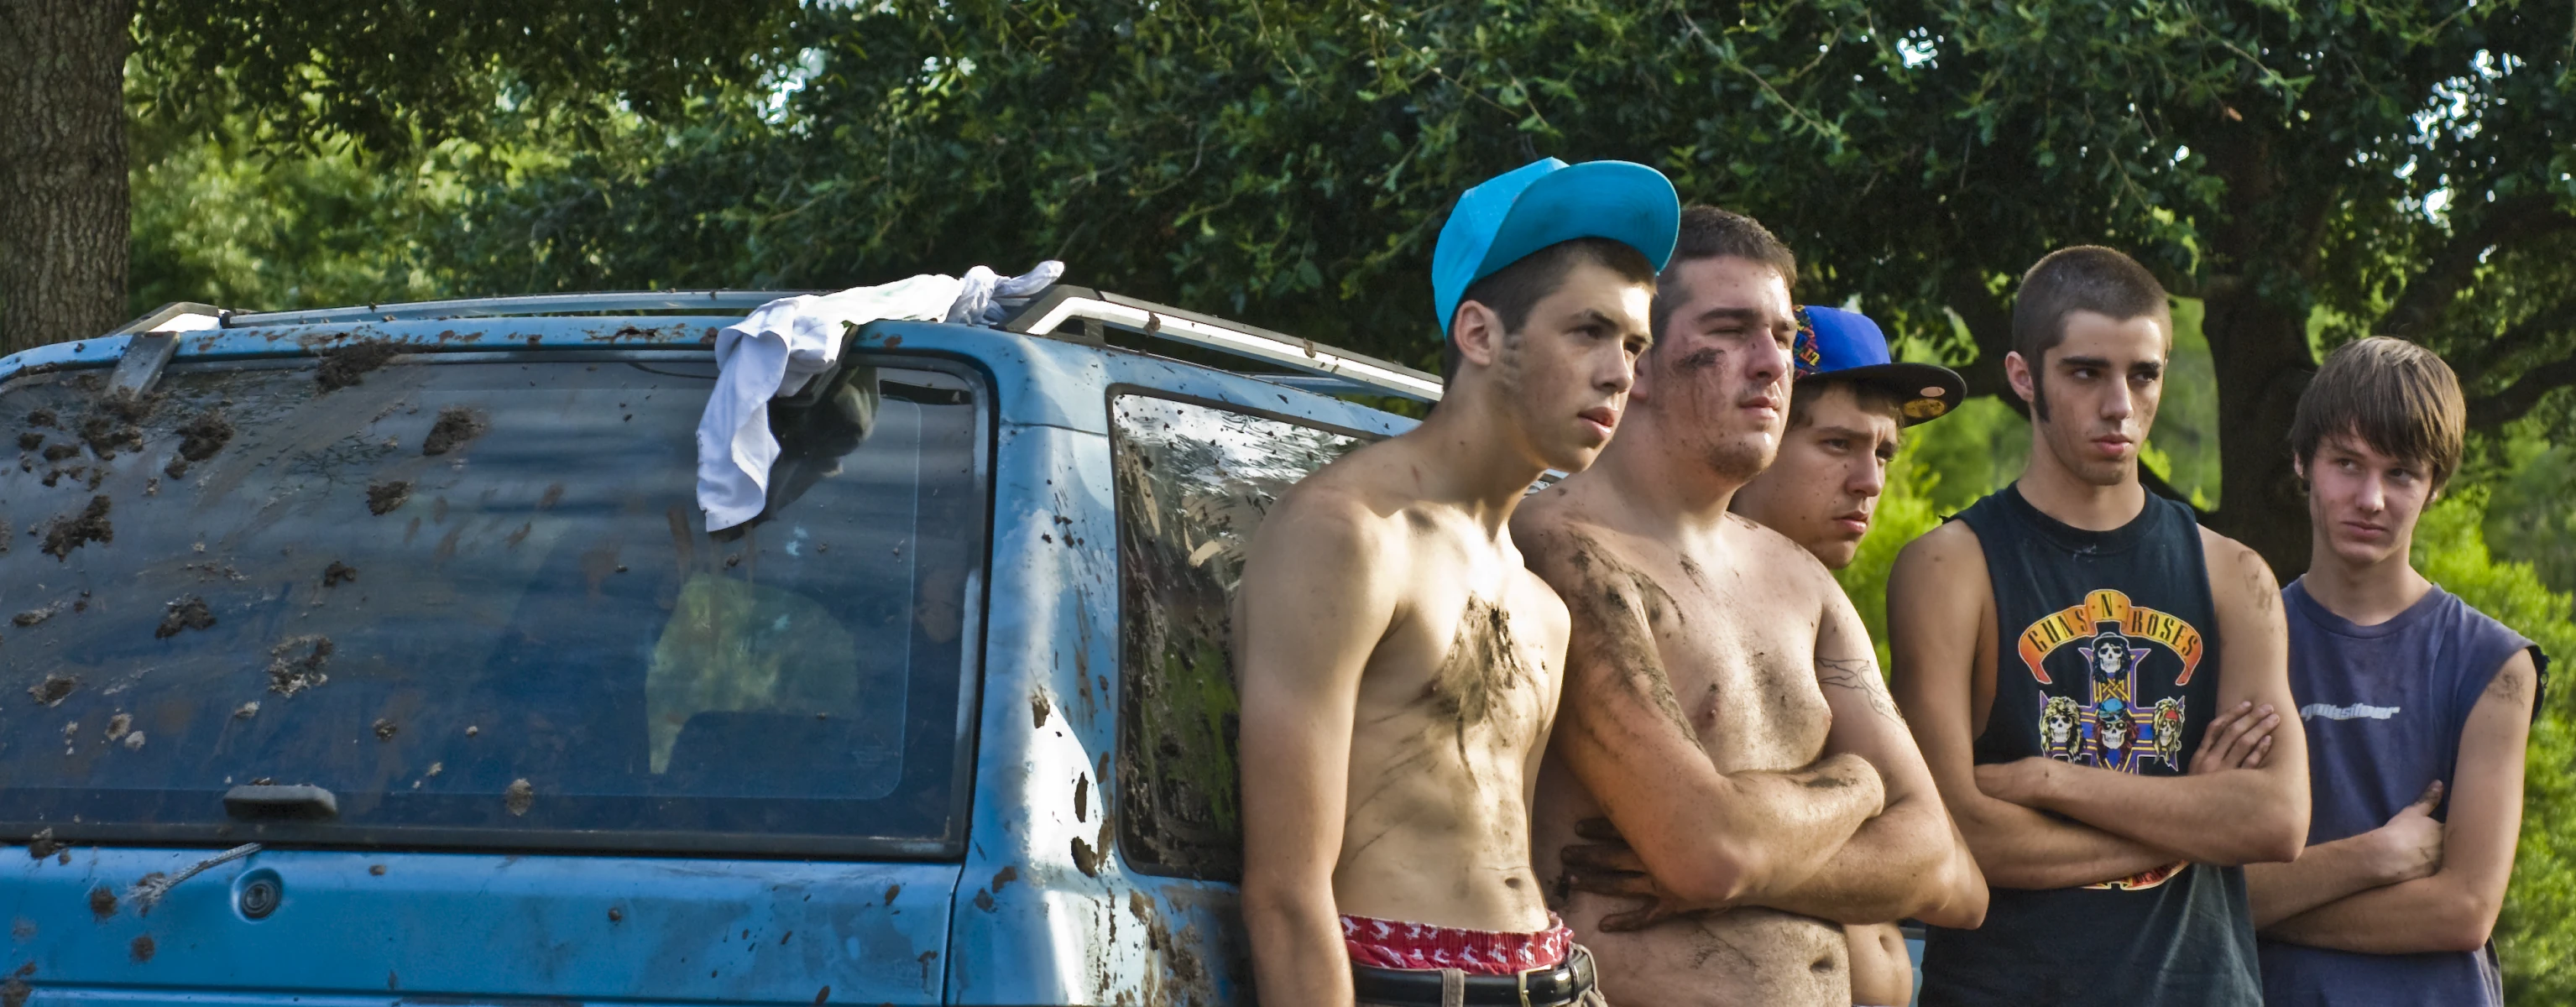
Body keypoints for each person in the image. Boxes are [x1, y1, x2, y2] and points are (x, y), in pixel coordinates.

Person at [1513, 206, 1987, 1007]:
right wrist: (1857, 786)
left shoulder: (1801, 578)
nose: (1772, 365)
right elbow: (1706, 853)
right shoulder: (1562, 551)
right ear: (1639, 360)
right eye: (1731, 330)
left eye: (1781, 337)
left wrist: (1751, 852)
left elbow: (1942, 865)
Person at [1234, 157, 1678, 1007]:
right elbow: (1287, 897)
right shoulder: (1353, 535)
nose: (1622, 374)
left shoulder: (1539, 600)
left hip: (1555, 982)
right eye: (1587, 331)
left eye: (1633, 345)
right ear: (1479, 334)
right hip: (1402, 988)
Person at [1885, 245, 2310, 1005]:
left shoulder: (2234, 574)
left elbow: (2275, 820)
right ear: (2024, 377)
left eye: (2142, 375)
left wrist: (2049, 780)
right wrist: (2192, 816)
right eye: (2086, 373)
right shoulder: (1950, 568)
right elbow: (1952, 832)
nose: (2119, 404)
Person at [2247, 337, 2547, 1007]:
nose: (2371, 498)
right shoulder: (2241, 640)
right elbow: (2194, 885)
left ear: (2435, 485)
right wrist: (2374, 858)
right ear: (2302, 460)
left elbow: (2462, 911)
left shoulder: (2495, 664)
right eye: (2347, 464)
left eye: (2401, 473)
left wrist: (2255, 909)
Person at [1728, 303, 1978, 1007]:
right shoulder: (1679, 608)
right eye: (1838, 444)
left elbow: (1957, 882)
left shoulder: (1826, 619)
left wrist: (1740, 861)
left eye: (1884, 452)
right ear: (1759, 426)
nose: (1869, 480)